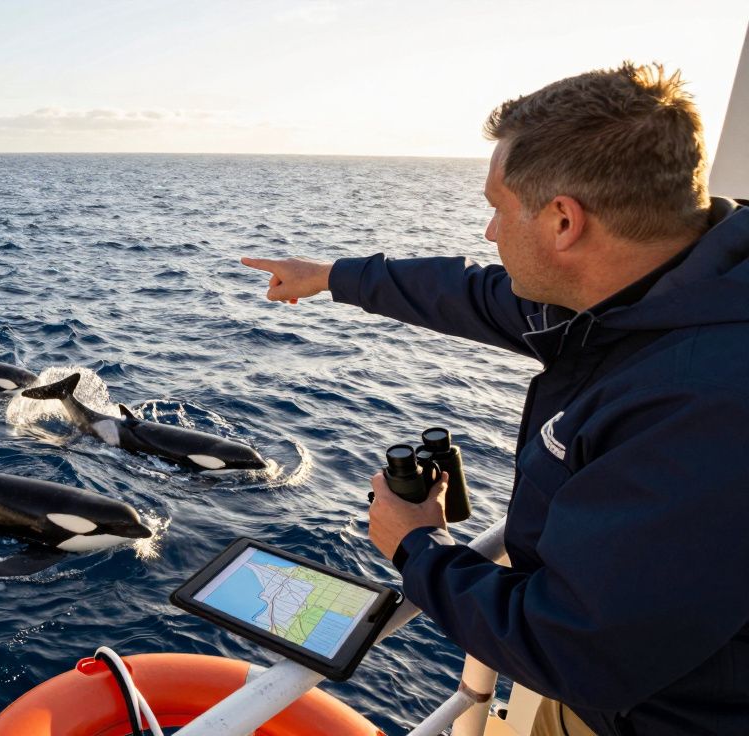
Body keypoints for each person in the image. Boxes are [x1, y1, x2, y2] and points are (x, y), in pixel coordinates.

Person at [243, 62, 749, 736]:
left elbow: (575, 646)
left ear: (564, 220)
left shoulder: (704, 405)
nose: (488, 232)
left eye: (499, 208)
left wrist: (416, 547)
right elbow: (479, 296)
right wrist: (334, 277)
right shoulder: (658, 287)